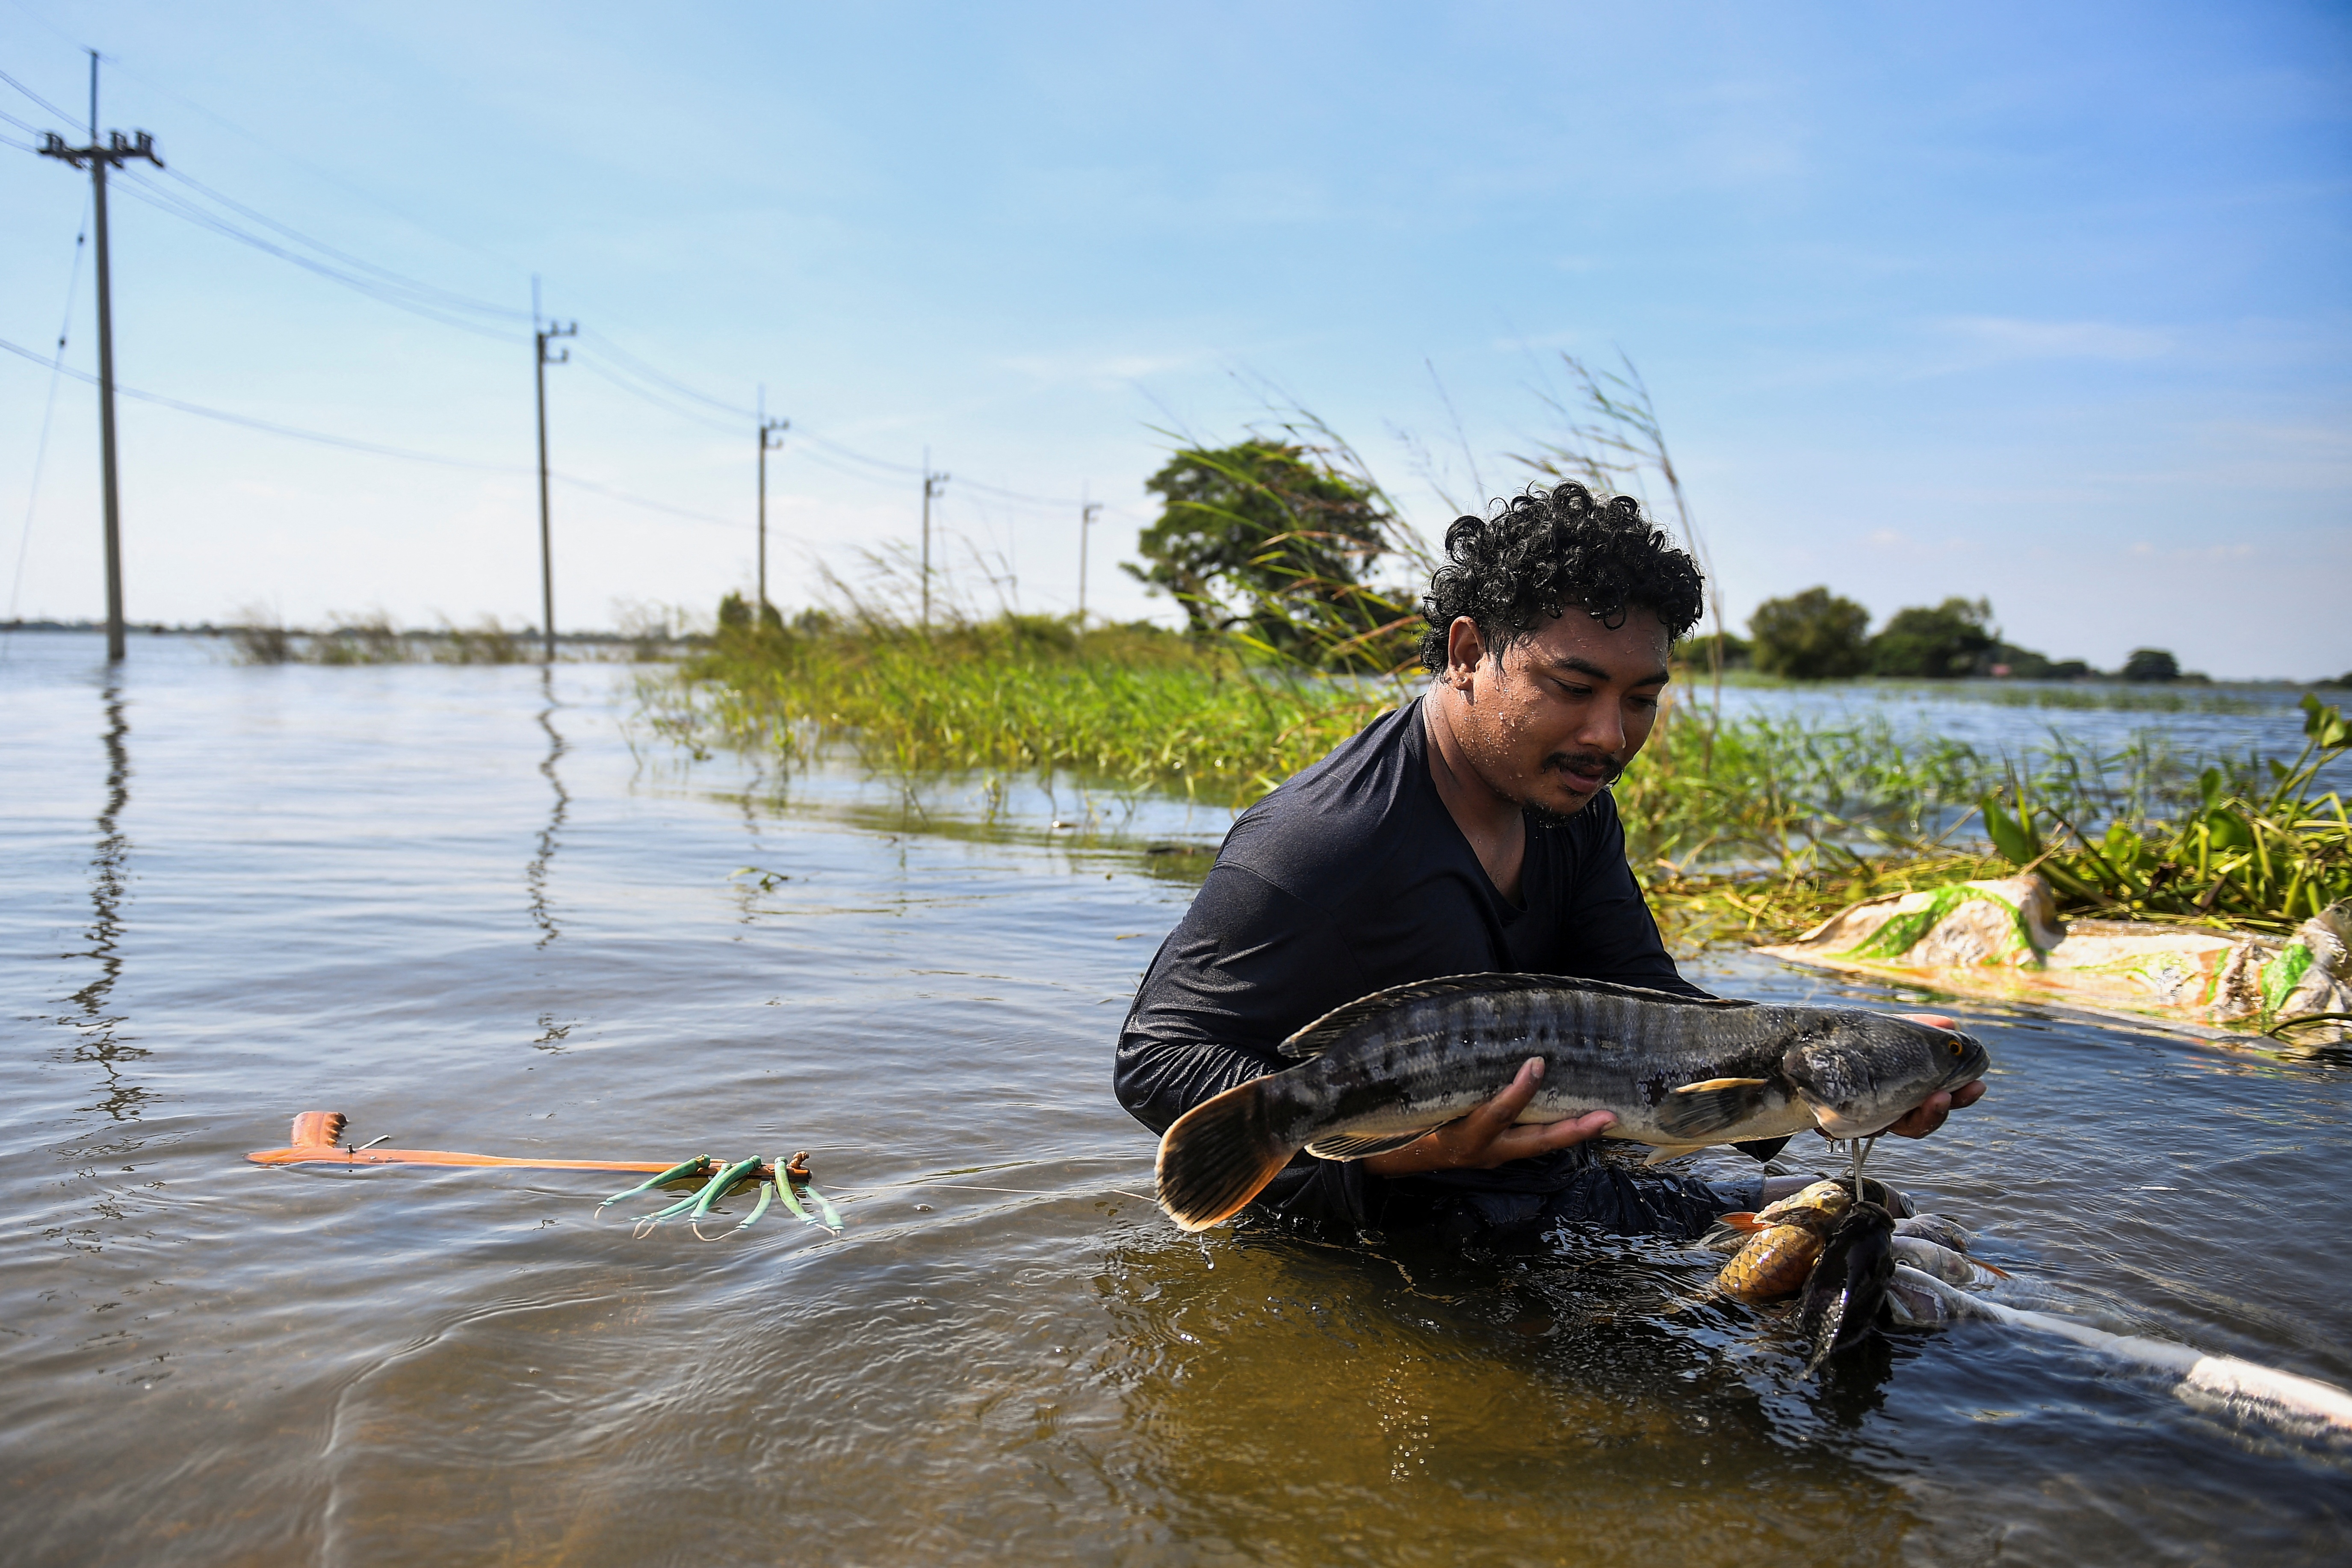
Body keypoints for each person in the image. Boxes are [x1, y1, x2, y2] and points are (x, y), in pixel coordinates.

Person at [1113, 483, 1984, 1247]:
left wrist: (1861, 1070)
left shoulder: (1571, 805)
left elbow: (1658, 1012)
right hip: (1349, 1212)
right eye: (1573, 688)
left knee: (1873, 1222)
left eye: (1639, 699)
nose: (1609, 735)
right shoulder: (1319, 843)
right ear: (1464, 654)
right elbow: (1156, 1059)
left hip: (1532, 1186)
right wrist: (1415, 1154)